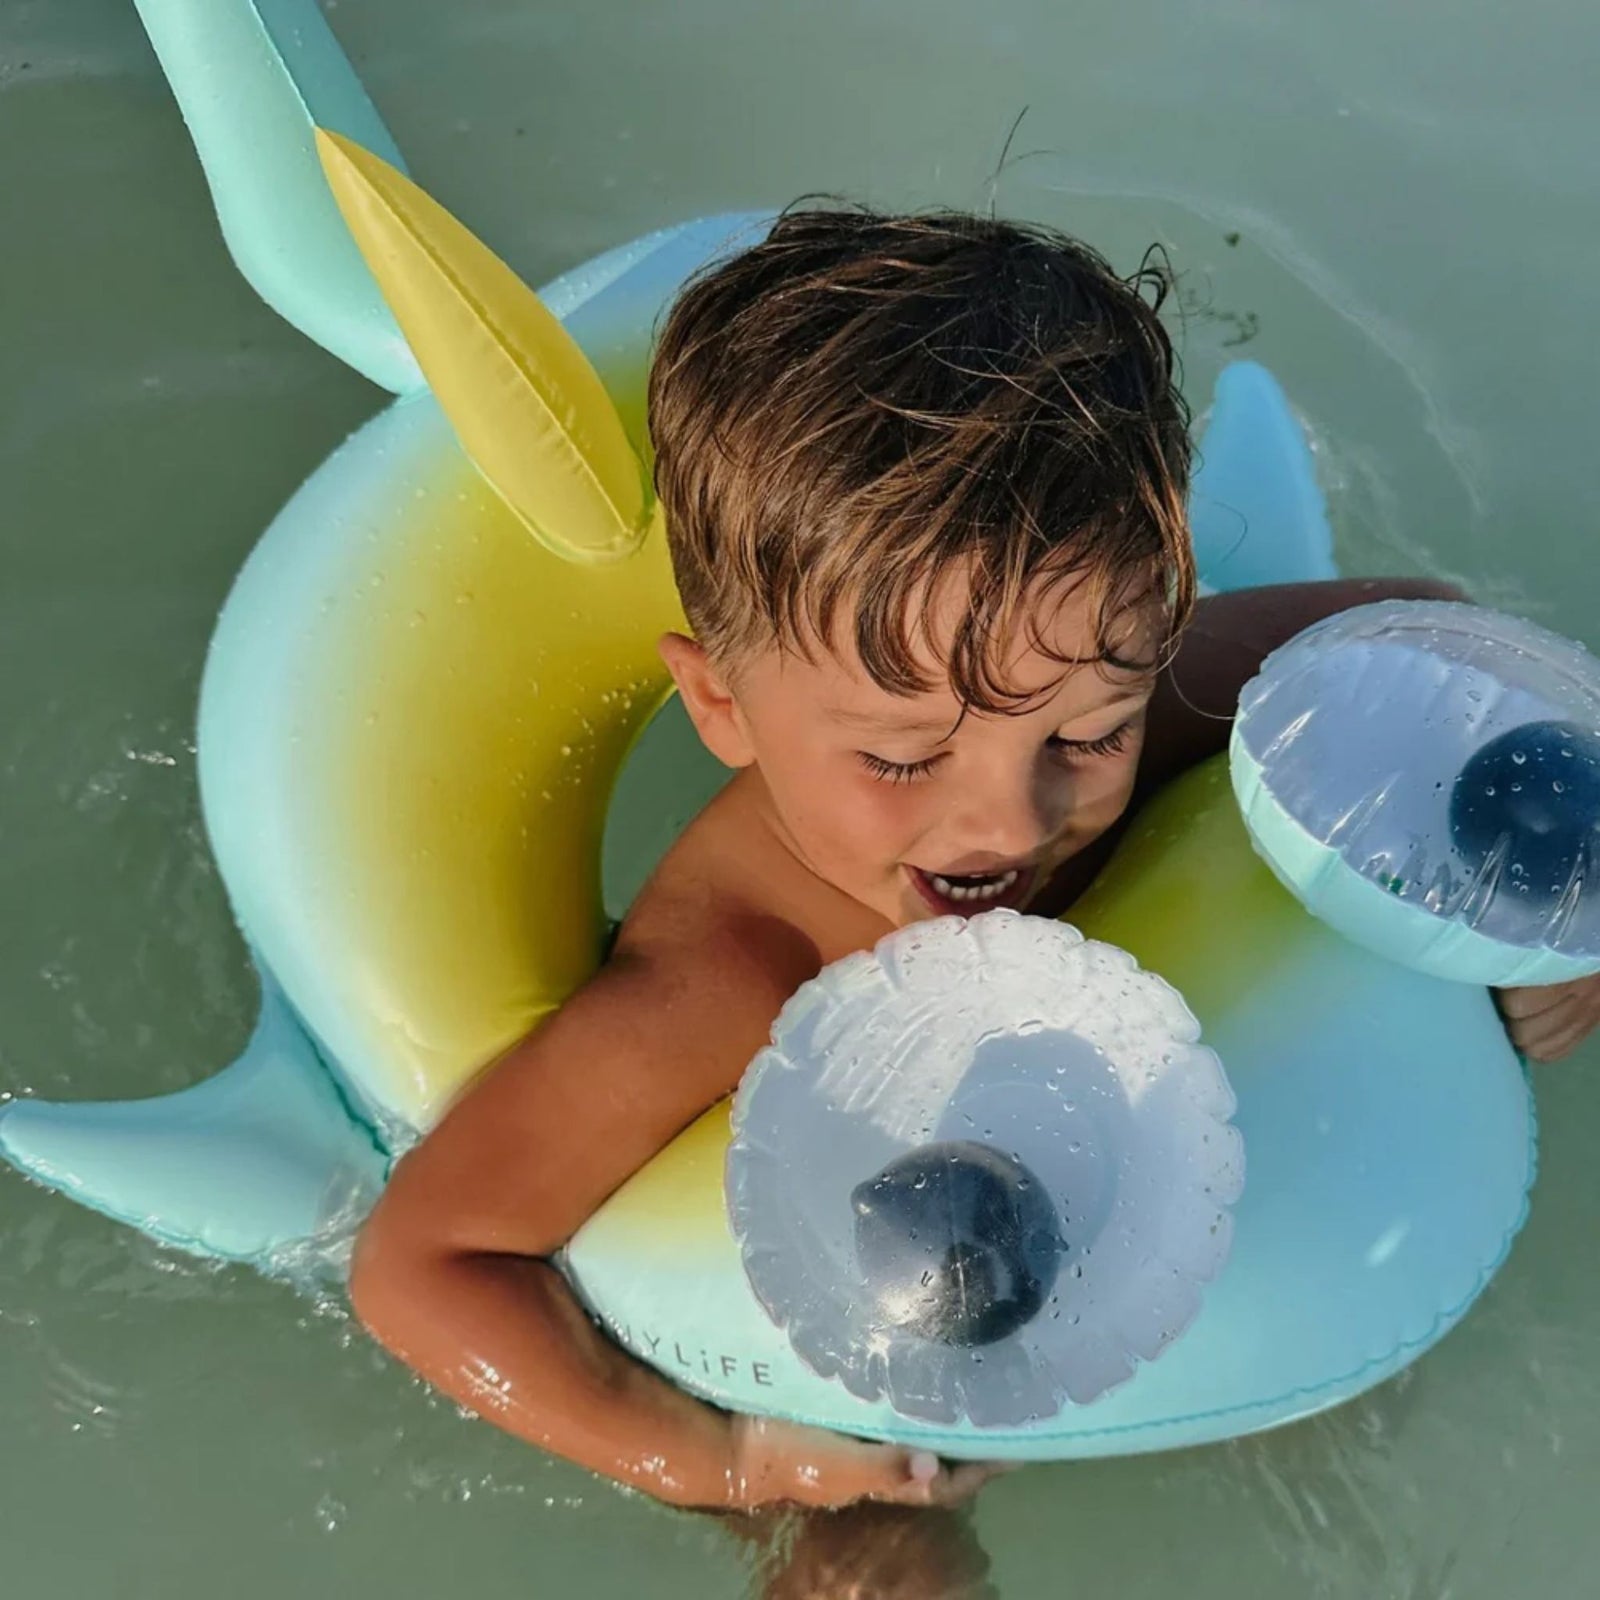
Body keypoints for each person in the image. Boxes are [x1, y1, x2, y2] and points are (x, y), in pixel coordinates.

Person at [347, 207, 1600, 1517]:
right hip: (841, 1356)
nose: (1010, 819)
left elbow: (1426, 642)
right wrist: (728, 1462)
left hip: (1208, 1197)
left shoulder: (1085, 667)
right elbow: (426, 1264)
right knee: (879, 1554)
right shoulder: (725, 985)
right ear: (719, 706)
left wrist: (1534, 935)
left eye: (1091, 735)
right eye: (903, 758)